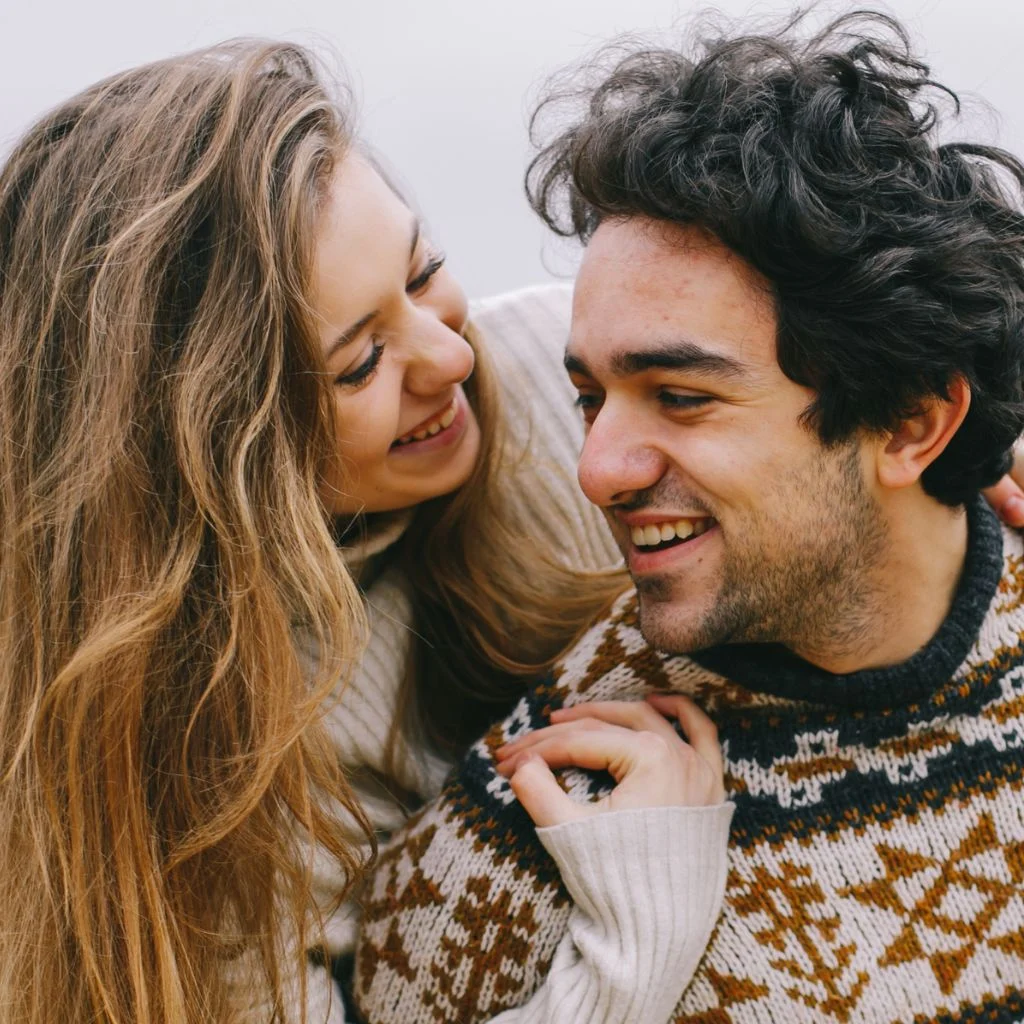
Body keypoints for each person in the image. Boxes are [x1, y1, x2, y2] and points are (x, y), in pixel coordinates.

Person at [0, 39, 736, 1024]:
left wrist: (968, 436)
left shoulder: (558, 372)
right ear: (210, 453)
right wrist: (636, 935)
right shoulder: (197, 762)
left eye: (422, 269)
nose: (446, 353)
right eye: (358, 366)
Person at [353, 11, 1024, 1024]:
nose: (597, 469)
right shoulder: (535, 824)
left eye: (681, 396)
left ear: (909, 423)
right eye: (588, 395)